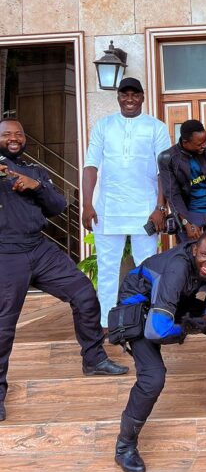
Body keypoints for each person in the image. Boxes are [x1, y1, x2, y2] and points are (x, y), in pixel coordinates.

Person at [0, 119, 127, 422]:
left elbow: (57, 206)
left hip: (39, 248)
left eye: (19, 134)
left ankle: (94, 359)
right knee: (4, 324)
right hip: (6, 253)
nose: (14, 138)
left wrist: (36, 186)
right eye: (6, 135)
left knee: (84, 294)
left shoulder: (34, 170)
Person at [114, 230, 206, 472]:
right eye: (205, 256)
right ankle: (124, 446)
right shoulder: (176, 269)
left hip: (173, 300)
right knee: (153, 377)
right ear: (194, 250)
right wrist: (186, 329)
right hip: (139, 307)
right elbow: (156, 331)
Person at [82, 77, 171, 328]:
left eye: (134, 94)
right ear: (118, 97)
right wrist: (87, 204)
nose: (129, 99)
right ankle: (106, 322)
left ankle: (146, 319)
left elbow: (163, 170)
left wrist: (160, 207)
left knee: (148, 268)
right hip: (108, 210)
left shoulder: (156, 127)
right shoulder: (103, 125)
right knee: (107, 268)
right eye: (124, 94)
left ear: (142, 97)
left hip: (145, 211)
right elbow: (91, 165)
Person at [158, 119, 206, 240]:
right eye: (199, 144)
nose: (204, 145)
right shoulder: (168, 158)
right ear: (185, 142)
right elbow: (173, 195)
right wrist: (186, 223)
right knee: (190, 249)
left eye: (205, 141)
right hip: (189, 214)